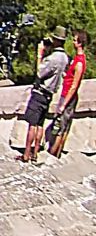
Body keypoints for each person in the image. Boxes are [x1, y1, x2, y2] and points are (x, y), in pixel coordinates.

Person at [24, 36, 70, 163]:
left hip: (40, 92)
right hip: (49, 94)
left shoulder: (52, 58)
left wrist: (40, 55)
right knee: (40, 124)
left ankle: (26, 154)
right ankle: (35, 153)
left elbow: (40, 73)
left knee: (32, 124)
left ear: (55, 41)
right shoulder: (64, 58)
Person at [49, 30, 89, 158]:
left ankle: (54, 154)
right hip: (66, 94)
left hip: (68, 97)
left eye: (75, 40)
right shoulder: (76, 59)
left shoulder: (79, 62)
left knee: (61, 126)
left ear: (79, 43)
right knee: (62, 125)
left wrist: (63, 104)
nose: (72, 42)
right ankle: (56, 152)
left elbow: (75, 85)